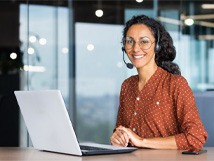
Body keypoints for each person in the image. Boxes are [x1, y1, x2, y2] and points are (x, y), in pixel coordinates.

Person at [110, 15, 208, 152]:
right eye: (129, 41)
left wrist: (141, 141)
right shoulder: (127, 86)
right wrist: (118, 137)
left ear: (156, 45)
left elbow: (195, 138)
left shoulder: (176, 84)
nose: (136, 48)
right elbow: (122, 131)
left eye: (144, 41)